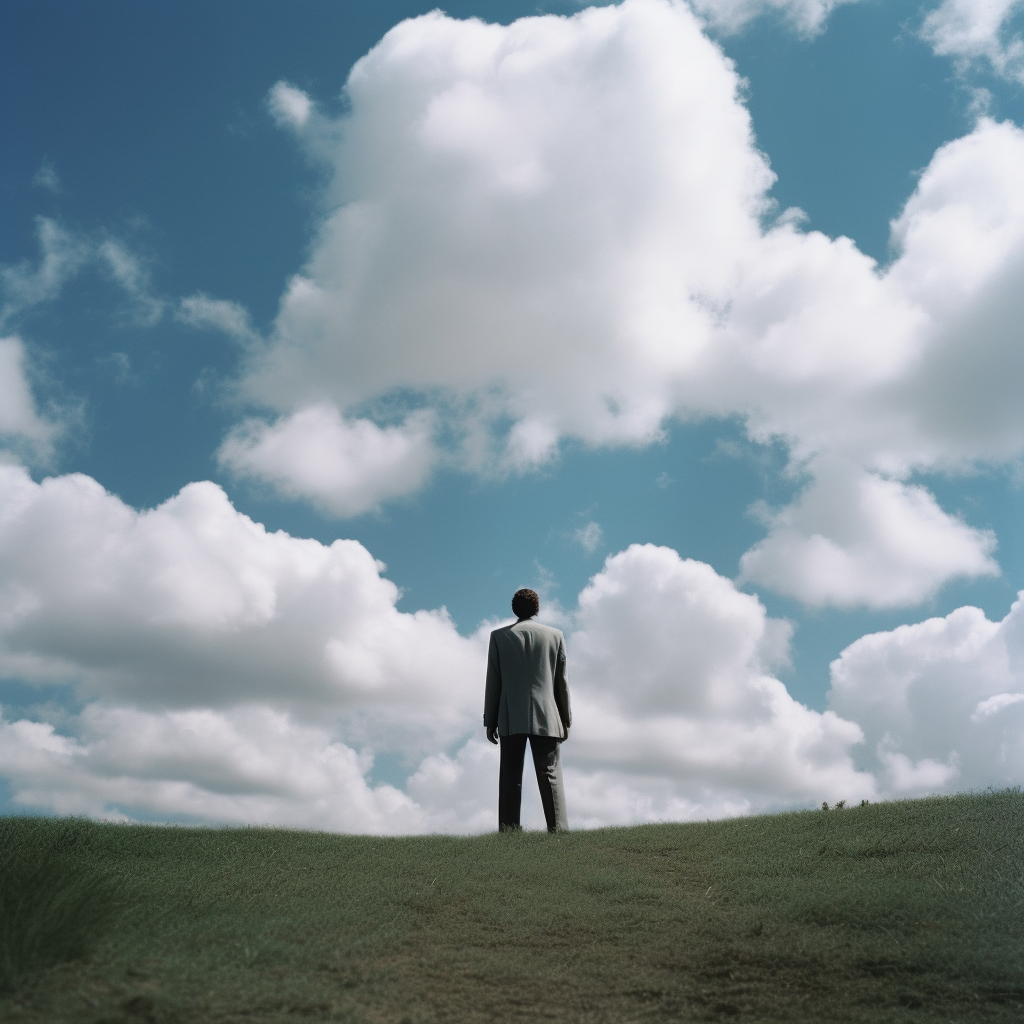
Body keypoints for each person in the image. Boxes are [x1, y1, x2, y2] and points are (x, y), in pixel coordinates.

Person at [483, 588, 571, 832]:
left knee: (510, 775)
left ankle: (509, 830)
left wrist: (490, 720)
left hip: (511, 715)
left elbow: (494, 681)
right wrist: (565, 719)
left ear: (514, 609)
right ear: (537, 609)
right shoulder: (555, 636)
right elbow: (560, 682)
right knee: (550, 774)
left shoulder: (499, 637)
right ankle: (559, 830)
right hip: (548, 714)